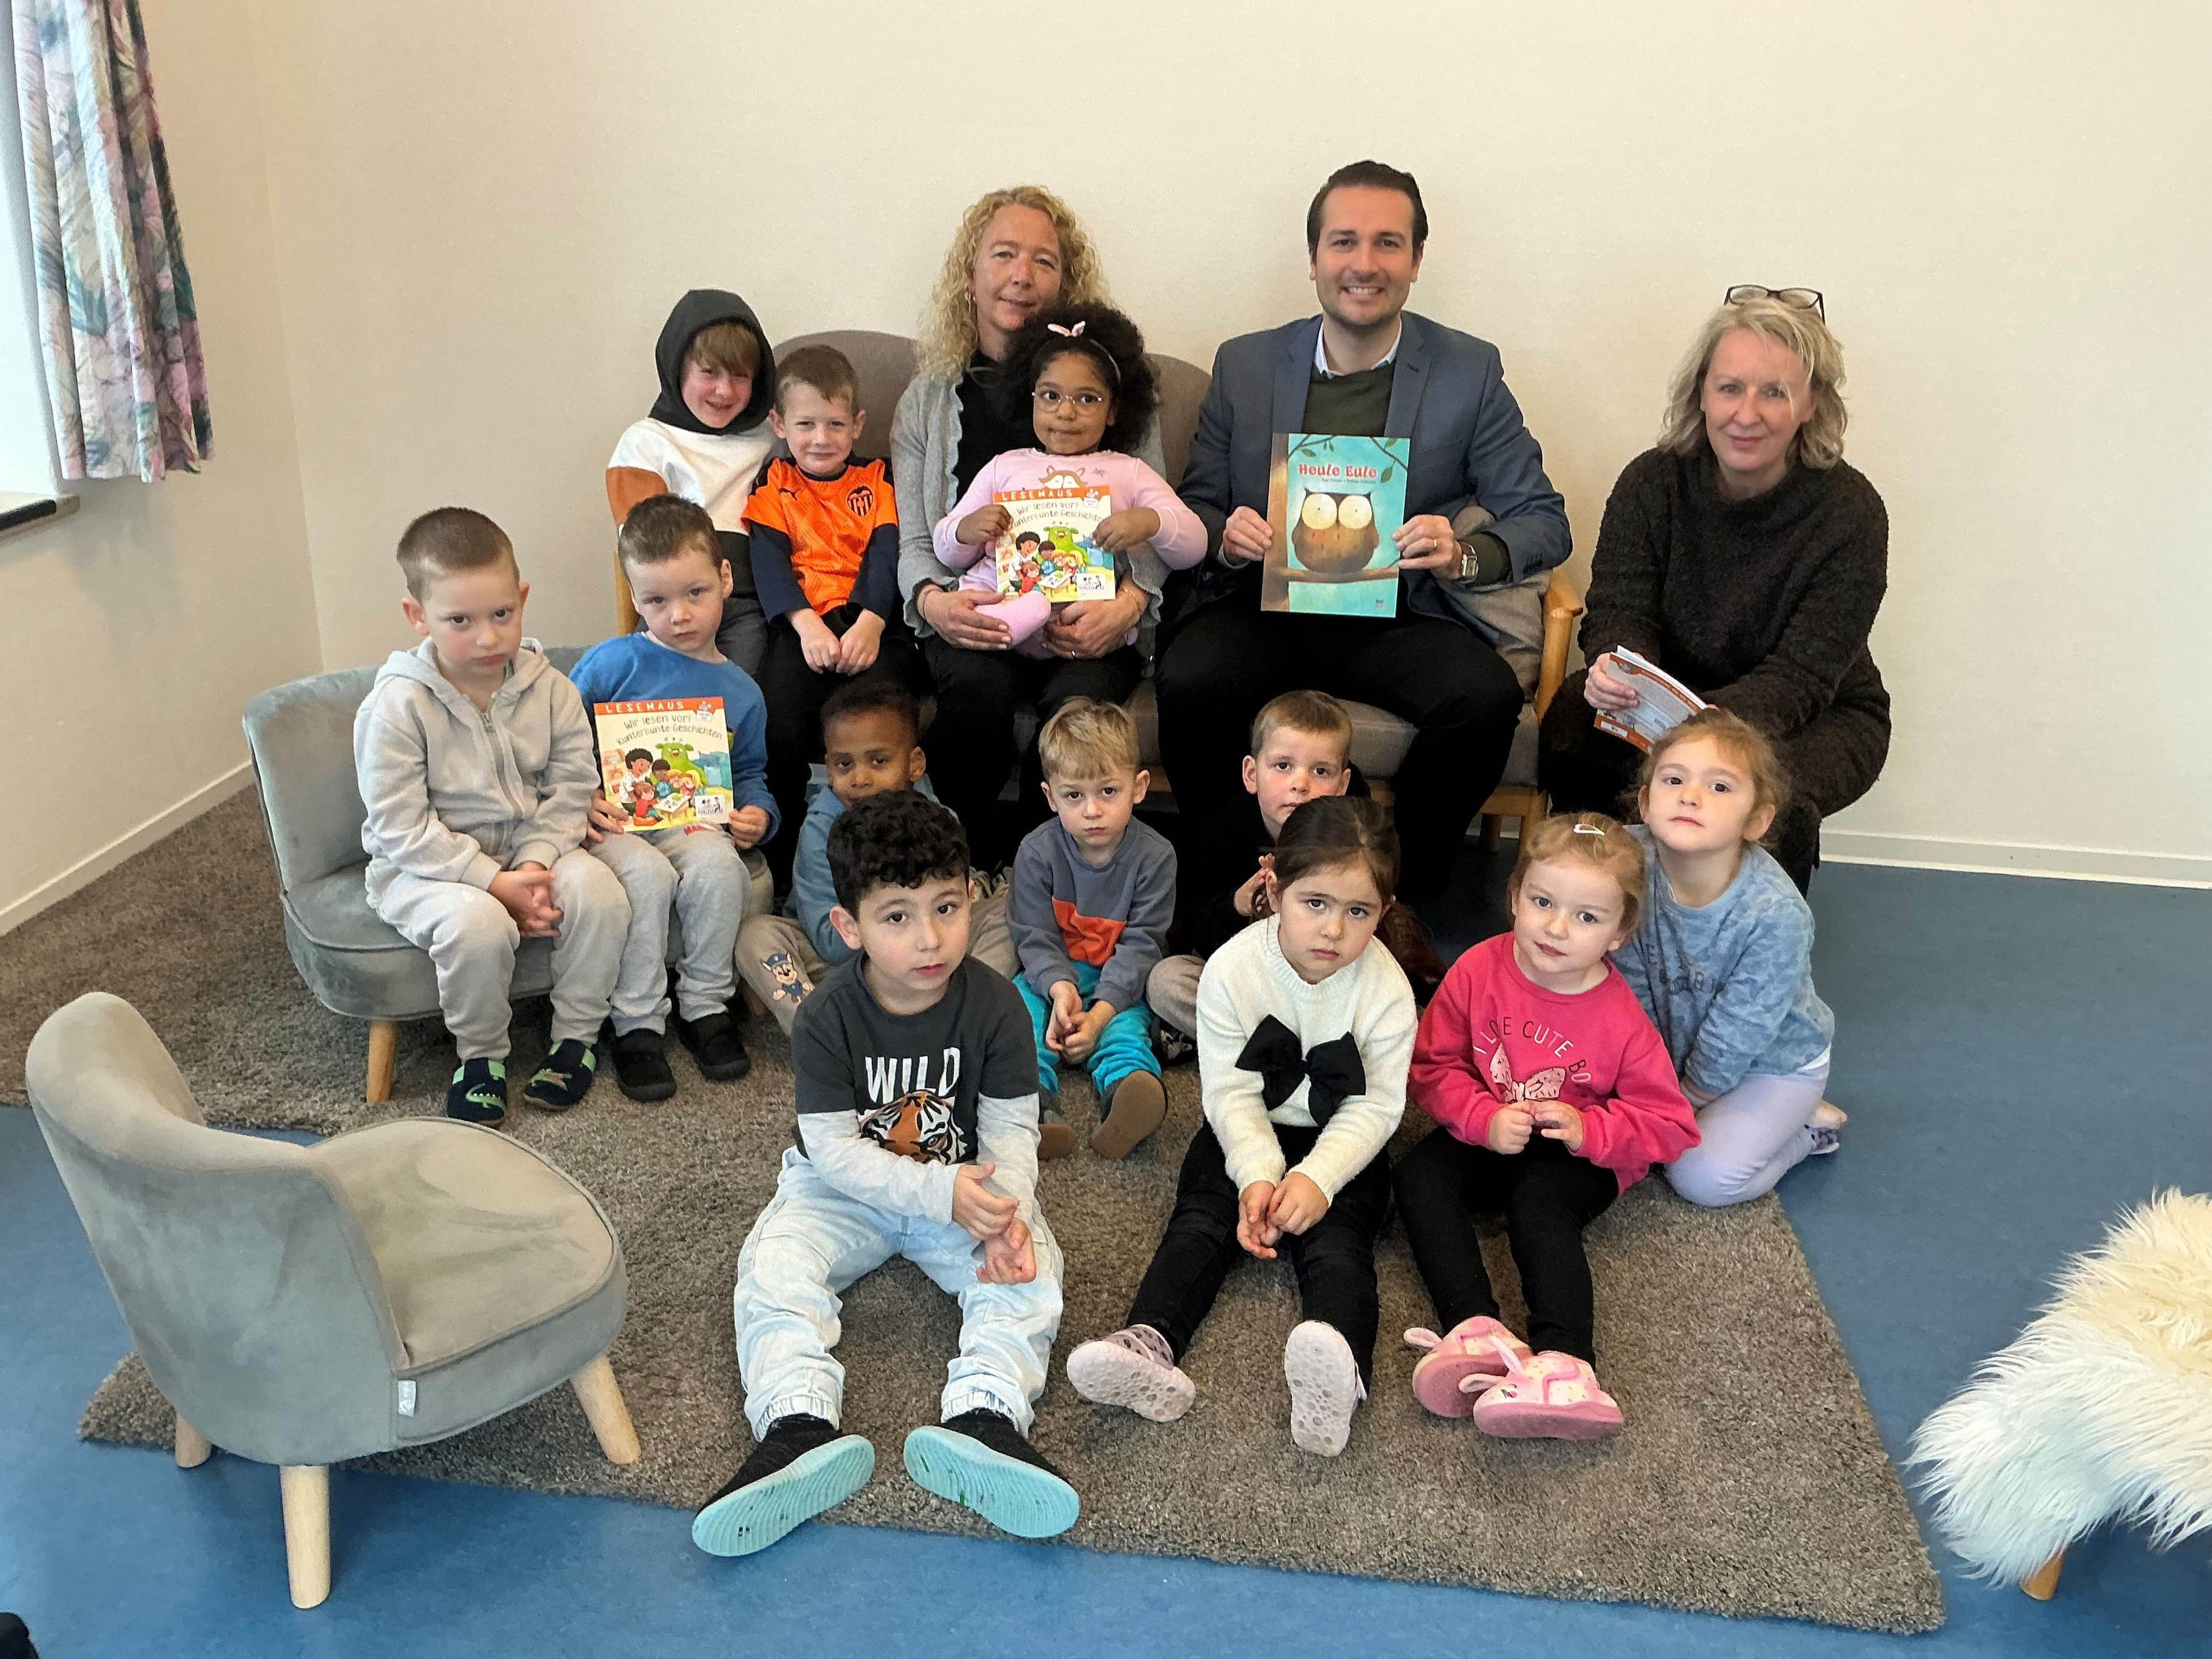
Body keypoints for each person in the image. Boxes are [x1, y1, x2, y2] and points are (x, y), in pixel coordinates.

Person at [1158, 160, 1571, 899]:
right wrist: (1226, 535)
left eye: (1388, 243)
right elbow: (1197, 505)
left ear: (1416, 260)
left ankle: (1391, 897)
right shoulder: (1246, 364)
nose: (1364, 264)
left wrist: (1463, 555)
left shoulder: (1468, 371)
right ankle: (1237, 892)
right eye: (1344, 242)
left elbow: (1543, 519)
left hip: (1400, 613)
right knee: (1190, 677)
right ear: (1314, 257)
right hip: (1265, 605)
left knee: (1482, 700)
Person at [694, 791, 1077, 1558]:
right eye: (897, 917)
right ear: (850, 928)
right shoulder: (827, 1015)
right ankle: (796, 1424)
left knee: (1032, 1270)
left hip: (964, 1183)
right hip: (840, 1189)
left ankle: (986, 1416)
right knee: (773, 1270)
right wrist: (941, 1193)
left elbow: (1011, 1129)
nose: (930, 939)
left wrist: (1004, 1214)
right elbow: (832, 1150)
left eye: (947, 908)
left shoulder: (999, 1006)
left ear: (971, 900)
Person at [1065, 798, 1416, 1459]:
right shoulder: (1231, 968)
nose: (1333, 930)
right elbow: (1229, 1092)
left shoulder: (1389, 991)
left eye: (1358, 912)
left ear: (1385, 911)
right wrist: (1257, 1173)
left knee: (1340, 1248)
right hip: (1248, 1123)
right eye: (1315, 903)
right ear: (1273, 889)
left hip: (1344, 1139)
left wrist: (1316, 1180)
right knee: (1199, 1220)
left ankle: (1339, 1372)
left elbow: (1376, 1108)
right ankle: (1148, 1342)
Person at [1539, 288, 1889, 893]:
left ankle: (1750, 945)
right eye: (1730, 388)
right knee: (1574, 719)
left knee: (1768, 796)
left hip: (1813, 713)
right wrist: (1614, 669)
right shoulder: (1651, 482)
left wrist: (1698, 738)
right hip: (1665, 698)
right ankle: (1588, 909)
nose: (1746, 414)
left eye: (1774, 392)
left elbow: (1802, 677)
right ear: (1701, 391)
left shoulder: (1851, 512)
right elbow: (1620, 610)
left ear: (1812, 403)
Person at [1394, 813, 1698, 1441]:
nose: (1557, 928)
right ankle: (1475, 1330)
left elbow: (1671, 1125)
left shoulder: (1621, 1018)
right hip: (1496, 1128)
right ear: (1515, 897)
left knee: (1538, 1202)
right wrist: (1482, 1117)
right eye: (1542, 903)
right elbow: (1430, 1067)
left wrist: (1590, 1130)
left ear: (1620, 932)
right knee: (1419, 1177)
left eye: (1587, 917)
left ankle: (1567, 1365)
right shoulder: (1476, 968)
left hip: (1578, 1155)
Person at [892, 186, 1164, 868]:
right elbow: (917, 538)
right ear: (970, 274)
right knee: (975, 695)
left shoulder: (1118, 386)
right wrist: (933, 601)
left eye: (1043, 261)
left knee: (1078, 708)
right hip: (978, 610)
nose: (1022, 276)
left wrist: (1130, 605)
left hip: (1088, 618)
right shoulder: (928, 400)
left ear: (1066, 284)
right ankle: (966, 870)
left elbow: (1158, 523)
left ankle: (1057, 879)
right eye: (1004, 255)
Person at [353, 508, 631, 1123]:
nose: (487, 638)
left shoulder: (552, 689)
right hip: (424, 869)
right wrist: (493, 882)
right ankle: (480, 1058)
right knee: (477, 926)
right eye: (460, 621)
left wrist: (533, 863)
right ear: (417, 616)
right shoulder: (397, 706)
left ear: (522, 598)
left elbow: (573, 788)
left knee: (601, 894)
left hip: (533, 849)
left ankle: (576, 1039)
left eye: (502, 614)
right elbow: (401, 827)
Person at [569, 495, 777, 1100]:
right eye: (656, 601)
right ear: (635, 598)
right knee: (647, 877)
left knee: (720, 866)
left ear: (725, 579)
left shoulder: (742, 691)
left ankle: (706, 1006)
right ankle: (636, 1022)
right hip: (614, 825)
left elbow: (751, 771)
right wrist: (582, 793)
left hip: (693, 822)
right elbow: (557, 741)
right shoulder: (611, 665)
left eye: (695, 593)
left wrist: (759, 814)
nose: (679, 615)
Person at [1612, 708, 1842, 1205]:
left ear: (1756, 821)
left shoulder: (1775, 913)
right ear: (1645, 803)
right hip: (1675, 1049)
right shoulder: (1627, 863)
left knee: (1701, 1178)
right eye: (1674, 780)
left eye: (1720, 787)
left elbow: (1740, 1031)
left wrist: (1684, 1100)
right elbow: (1626, 980)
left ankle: (1806, 1132)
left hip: (1770, 1063)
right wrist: (1648, 1081)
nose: (1690, 795)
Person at [743, 343, 925, 890]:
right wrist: (805, 625)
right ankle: (784, 863)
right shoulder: (774, 482)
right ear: (779, 424)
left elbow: (887, 552)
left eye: (835, 424)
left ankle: (895, 852)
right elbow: (768, 560)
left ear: (857, 425)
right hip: (802, 625)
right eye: (805, 425)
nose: (820, 438)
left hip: (873, 622)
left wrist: (871, 622)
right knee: (776, 720)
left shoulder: (878, 477)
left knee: (887, 717)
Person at [735, 679, 1017, 1031]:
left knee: (1009, 915)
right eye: (844, 765)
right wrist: (891, 936)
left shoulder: (942, 821)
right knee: (755, 935)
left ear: (915, 764)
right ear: (828, 767)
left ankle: (960, 1022)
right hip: (845, 965)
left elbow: (953, 911)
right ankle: (825, 1032)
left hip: (929, 955)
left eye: (879, 761)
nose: (861, 779)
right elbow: (828, 941)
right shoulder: (820, 830)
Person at [932, 303, 1206, 652]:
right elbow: (945, 549)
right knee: (977, 658)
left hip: (1085, 627)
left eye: (1087, 399)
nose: (1065, 412)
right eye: (1050, 396)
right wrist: (965, 530)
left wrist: (1151, 522)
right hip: (994, 602)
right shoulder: (1005, 467)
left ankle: (1026, 619)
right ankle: (1011, 622)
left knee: (1089, 674)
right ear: (1030, 399)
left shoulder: (1129, 472)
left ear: (1113, 411)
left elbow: (1195, 545)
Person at [1146, 690, 1357, 1060]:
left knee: (1374, 990)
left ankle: (1255, 1048)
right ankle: (1292, 1053)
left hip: (1316, 985)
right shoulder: (1221, 835)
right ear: (1251, 774)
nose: (1301, 784)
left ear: (1341, 785)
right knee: (1166, 981)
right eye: (1283, 766)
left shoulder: (1349, 847)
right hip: (1244, 984)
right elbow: (1193, 933)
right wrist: (1236, 905)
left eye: (1320, 771)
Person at [1008, 699, 1176, 1161]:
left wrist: (1100, 1015)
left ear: (1139, 787)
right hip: (1049, 977)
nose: (1093, 811)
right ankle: (1031, 1105)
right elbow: (1034, 935)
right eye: (1074, 797)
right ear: (1050, 798)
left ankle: (1127, 1092)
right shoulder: (1037, 851)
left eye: (1108, 791)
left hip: (1118, 981)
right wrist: (1060, 989)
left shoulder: (1156, 856)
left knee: (1126, 1031)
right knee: (1020, 1018)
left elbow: (1143, 945)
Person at [607, 290, 778, 673]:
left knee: (743, 687)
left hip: (759, 600)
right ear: (678, 369)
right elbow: (644, 544)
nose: (724, 390)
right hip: (678, 599)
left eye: (740, 376)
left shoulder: (772, 438)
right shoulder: (646, 442)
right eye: (709, 373)